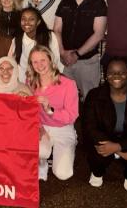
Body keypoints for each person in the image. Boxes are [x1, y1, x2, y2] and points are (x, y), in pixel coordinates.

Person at [82, 57, 127, 192]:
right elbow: (89, 128)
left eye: (121, 72)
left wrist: (118, 146)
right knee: (96, 155)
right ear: (106, 75)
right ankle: (97, 172)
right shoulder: (94, 96)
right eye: (112, 72)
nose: (116, 76)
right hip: (104, 139)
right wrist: (120, 151)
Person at [27, 45, 79, 182]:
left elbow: (72, 116)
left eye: (43, 60)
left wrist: (50, 110)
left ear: (50, 60)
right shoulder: (30, 83)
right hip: (41, 127)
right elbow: (28, 111)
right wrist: (38, 126)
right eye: (35, 62)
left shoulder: (68, 84)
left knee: (63, 174)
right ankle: (42, 163)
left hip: (63, 128)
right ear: (31, 65)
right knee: (41, 152)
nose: (39, 65)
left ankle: (70, 143)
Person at [54, 0, 107, 100]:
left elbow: (99, 34)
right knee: (64, 98)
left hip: (87, 61)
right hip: (65, 60)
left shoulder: (99, 4)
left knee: (90, 98)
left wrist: (77, 54)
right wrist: (62, 52)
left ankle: (89, 121)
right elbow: (57, 29)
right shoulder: (64, 3)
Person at [15, 7, 63, 82]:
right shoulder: (17, 39)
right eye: (23, 19)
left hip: (49, 79)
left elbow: (55, 60)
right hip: (25, 82)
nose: (26, 22)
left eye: (31, 19)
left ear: (38, 22)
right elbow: (18, 66)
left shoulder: (49, 36)